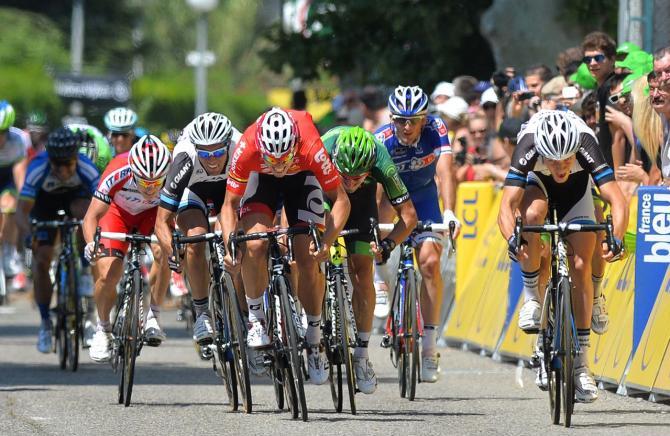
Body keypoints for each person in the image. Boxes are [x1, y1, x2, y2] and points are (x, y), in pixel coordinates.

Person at [498, 110, 628, 402]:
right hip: (538, 187)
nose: (560, 166)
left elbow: (616, 200)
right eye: (553, 160)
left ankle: (582, 365)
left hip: (577, 193)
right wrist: (511, 238)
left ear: (576, 151)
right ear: (542, 151)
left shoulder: (585, 142)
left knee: (581, 262)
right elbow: (506, 206)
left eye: (567, 159)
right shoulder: (529, 144)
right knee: (531, 214)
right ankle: (532, 297)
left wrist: (616, 239)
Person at [220, 107, 350, 385]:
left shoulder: (311, 146)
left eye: (283, 158)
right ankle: (257, 320)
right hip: (261, 180)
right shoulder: (248, 147)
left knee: (307, 255)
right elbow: (229, 205)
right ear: (262, 147)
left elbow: (341, 201)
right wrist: (230, 244)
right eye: (273, 158)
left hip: (301, 180)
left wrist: (327, 242)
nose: (278, 165)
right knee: (254, 245)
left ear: (295, 145)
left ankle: (314, 339)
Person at [374, 86, 461, 382]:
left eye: (414, 120)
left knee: (429, 264)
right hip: (392, 200)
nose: (407, 127)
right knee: (382, 217)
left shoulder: (436, 130)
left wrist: (449, 211)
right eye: (400, 120)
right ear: (391, 119)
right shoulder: (381, 139)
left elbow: (446, 173)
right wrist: (377, 228)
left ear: (425, 118)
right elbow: (375, 192)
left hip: (424, 200)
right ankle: (380, 280)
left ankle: (428, 348)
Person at [321, 125, 417, 393]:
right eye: (347, 176)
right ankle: (314, 324)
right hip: (327, 192)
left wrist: (387, 246)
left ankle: (362, 355)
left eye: (358, 176)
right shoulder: (323, 151)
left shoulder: (381, 161)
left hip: (363, 205)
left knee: (363, 271)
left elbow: (409, 217)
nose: (351, 182)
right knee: (314, 246)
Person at [154, 113, 241, 346]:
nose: (211, 160)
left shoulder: (240, 148)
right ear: (196, 149)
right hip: (193, 191)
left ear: (227, 145)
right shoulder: (185, 157)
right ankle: (202, 313)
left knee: (233, 236)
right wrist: (172, 250)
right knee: (195, 239)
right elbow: (161, 221)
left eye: (217, 153)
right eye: (205, 153)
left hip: (229, 192)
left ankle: (248, 312)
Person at [83, 135, 172, 361]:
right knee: (108, 272)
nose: (150, 188)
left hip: (152, 215)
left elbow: (177, 215)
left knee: (164, 251)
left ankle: (153, 315)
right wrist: (91, 243)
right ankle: (103, 329)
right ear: (133, 171)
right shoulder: (118, 170)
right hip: (118, 215)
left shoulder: (172, 173)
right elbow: (91, 216)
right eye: (144, 182)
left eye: (156, 182)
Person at [17, 127, 99, 353]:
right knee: (42, 259)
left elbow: (102, 206)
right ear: (49, 159)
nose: (63, 171)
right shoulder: (38, 167)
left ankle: (83, 272)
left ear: (76, 158)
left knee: (85, 215)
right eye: (57, 165)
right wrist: (27, 234)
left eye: (68, 165)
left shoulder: (86, 168)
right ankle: (45, 323)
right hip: (45, 206)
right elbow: (22, 211)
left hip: (76, 201)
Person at [0, 101, 29, 284]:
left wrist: (24, 202)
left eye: (2, 133)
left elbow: (20, 175)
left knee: (9, 205)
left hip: (7, 176)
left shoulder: (18, 140)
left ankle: (10, 250)